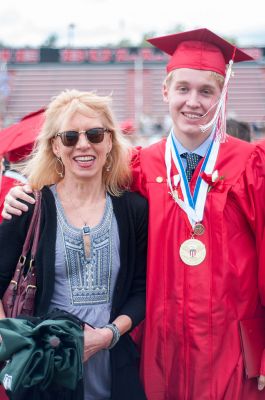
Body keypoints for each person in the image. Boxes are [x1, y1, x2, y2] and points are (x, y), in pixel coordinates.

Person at [3, 28, 265, 400]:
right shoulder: (141, 167)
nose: (194, 101)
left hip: (230, 349)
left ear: (222, 96)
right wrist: (23, 193)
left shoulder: (251, 165)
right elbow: (81, 183)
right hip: (156, 348)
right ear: (165, 92)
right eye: (183, 89)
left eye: (206, 90)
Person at [0, 89, 148, 400]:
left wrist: (108, 336)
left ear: (109, 141)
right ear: (55, 145)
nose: (84, 145)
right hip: (48, 367)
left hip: (114, 364)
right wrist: (12, 343)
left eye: (95, 134)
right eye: (69, 137)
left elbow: (141, 289)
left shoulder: (134, 210)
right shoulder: (28, 206)